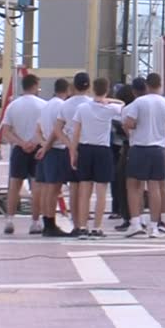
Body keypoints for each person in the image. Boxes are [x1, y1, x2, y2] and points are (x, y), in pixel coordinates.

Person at [122, 72, 165, 238]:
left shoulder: (139, 102)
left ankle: (135, 223)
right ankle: (154, 226)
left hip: (139, 147)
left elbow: (129, 123)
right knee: (155, 187)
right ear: (160, 84)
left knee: (133, 186)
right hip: (158, 149)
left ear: (146, 85)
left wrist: (134, 128)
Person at [71, 77, 125, 239]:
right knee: (101, 191)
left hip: (85, 149)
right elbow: (124, 106)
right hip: (103, 150)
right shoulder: (110, 108)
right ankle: (97, 227)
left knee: (84, 191)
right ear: (107, 90)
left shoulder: (82, 108)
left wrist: (73, 152)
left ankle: (82, 226)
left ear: (92, 89)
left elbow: (76, 132)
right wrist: (109, 100)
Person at [1, 73, 46, 235]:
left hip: (19, 149)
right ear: (35, 86)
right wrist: (33, 142)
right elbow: (46, 128)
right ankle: (35, 222)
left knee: (14, 186)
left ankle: (9, 220)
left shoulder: (13, 106)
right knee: (37, 187)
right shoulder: (44, 105)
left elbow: (6, 131)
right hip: (37, 148)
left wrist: (21, 143)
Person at [53, 72, 93, 236]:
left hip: (69, 148)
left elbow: (57, 129)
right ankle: (84, 224)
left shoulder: (66, 105)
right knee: (86, 189)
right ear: (89, 86)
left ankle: (76, 224)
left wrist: (69, 144)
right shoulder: (92, 103)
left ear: (73, 86)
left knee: (74, 187)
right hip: (87, 147)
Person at [35, 78, 71, 237]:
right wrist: (47, 146)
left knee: (46, 188)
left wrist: (43, 144)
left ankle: (46, 222)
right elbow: (57, 131)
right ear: (67, 90)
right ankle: (50, 223)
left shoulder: (46, 105)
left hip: (47, 150)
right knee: (54, 189)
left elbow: (37, 130)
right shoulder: (62, 106)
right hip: (56, 150)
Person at [115, 77, 148, 232]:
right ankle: (141, 216)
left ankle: (130, 217)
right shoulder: (150, 105)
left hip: (131, 148)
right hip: (150, 147)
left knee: (127, 183)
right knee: (143, 184)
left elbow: (127, 129)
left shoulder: (129, 109)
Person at [109, 84, 135, 222]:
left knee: (118, 179)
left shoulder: (121, 109)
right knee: (124, 180)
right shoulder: (131, 108)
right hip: (126, 145)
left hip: (119, 146)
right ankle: (126, 211)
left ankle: (119, 209)